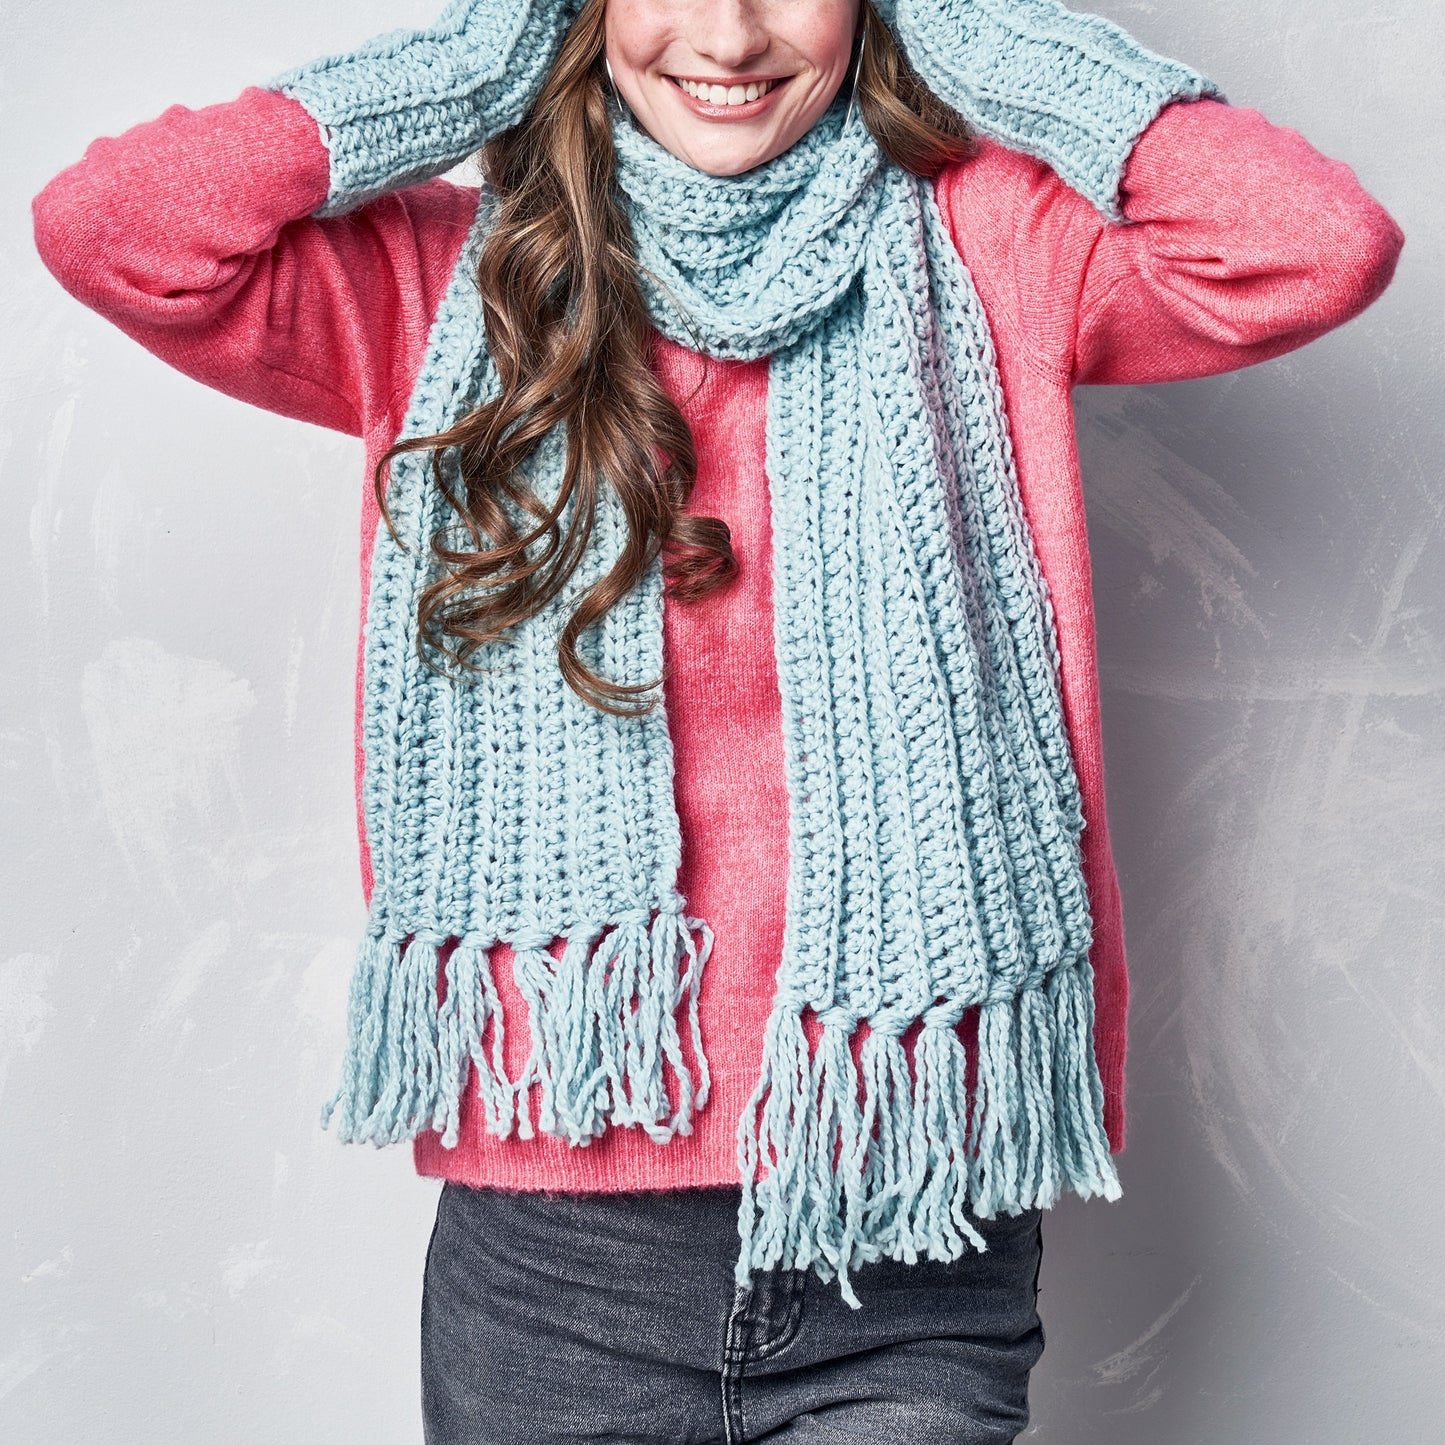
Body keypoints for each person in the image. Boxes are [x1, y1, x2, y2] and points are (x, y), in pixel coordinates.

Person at [32, 0, 1404, 1439]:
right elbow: (113, 229)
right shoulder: (448, 281)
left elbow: (1315, 246)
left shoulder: (991, 250)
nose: (732, 36)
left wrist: (967, 28)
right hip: (557, 1270)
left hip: (915, 1234)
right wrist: (479, 53)